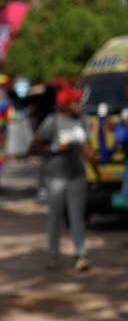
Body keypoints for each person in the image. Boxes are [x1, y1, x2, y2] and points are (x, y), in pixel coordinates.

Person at [30, 85, 93, 272]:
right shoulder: (52, 122)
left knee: (77, 217)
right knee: (55, 217)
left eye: (79, 101)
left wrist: (94, 159)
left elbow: (88, 147)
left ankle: (80, 255)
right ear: (64, 104)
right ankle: (54, 255)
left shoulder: (82, 121)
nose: (79, 105)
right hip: (55, 177)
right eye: (75, 102)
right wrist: (56, 148)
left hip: (77, 175)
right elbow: (33, 148)